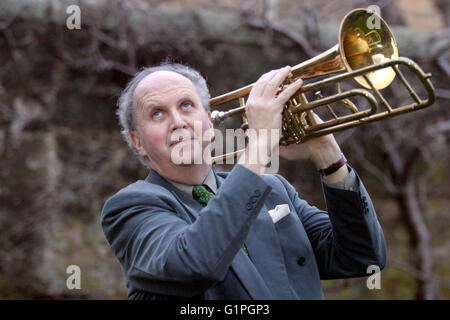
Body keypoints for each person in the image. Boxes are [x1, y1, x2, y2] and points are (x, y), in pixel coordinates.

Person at [101, 62, 386, 300]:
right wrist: (260, 144)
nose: (178, 122)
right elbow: (195, 263)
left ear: (210, 122)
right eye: (157, 113)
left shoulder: (275, 190)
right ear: (138, 142)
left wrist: (327, 153)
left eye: (187, 105)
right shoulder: (131, 208)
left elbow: (363, 257)